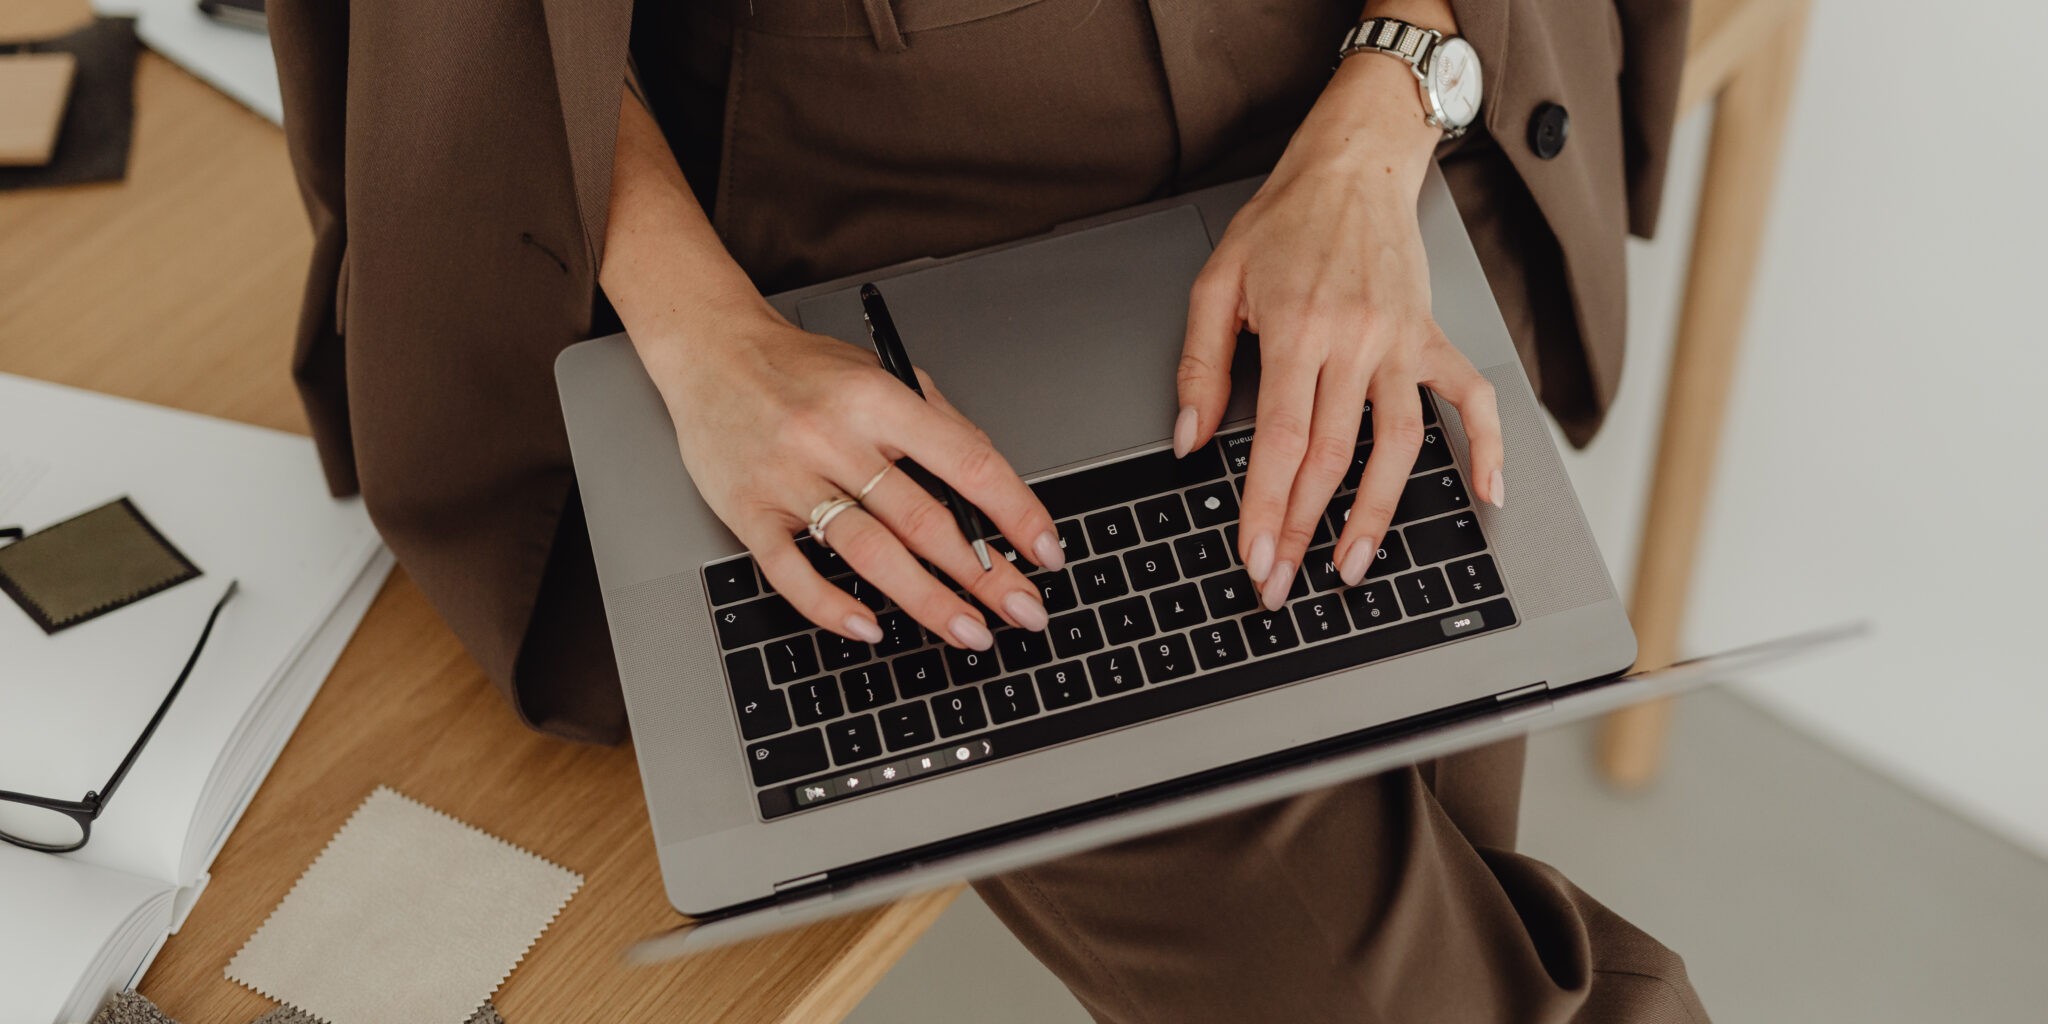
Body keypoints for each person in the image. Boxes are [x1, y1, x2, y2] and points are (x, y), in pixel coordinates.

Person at [271, 0, 1704, 1019]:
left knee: (1437, 722)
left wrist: (1391, 94)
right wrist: (706, 338)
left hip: (1344, 138)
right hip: (893, 265)